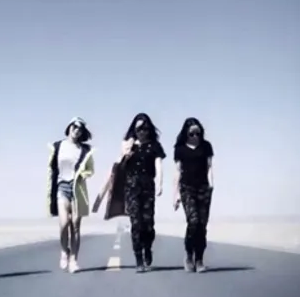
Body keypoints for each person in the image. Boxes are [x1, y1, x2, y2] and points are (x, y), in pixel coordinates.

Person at [95, 113, 165, 273]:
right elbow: (118, 167)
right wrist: (125, 154)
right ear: (134, 129)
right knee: (136, 223)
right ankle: (138, 259)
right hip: (132, 187)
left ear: (149, 129)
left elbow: (159, 165)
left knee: (148, 224)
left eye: (145, 128)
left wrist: (160, 183)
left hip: (148, 186)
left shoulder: (155, 146)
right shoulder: (128, 146)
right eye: (139, 128)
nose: (142, 131)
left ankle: (147, 247)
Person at [47, 118, 95, 273]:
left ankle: (73, 260)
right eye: (75, 126)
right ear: (69, 127)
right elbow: (51, 166)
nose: (77, 130)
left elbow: (90, 169)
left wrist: (83, 174)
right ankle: (64, 251)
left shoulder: (85, 150)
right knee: (64, 223)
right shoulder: (58, 146)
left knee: (75, 225)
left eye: (80, 128)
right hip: (62, 187)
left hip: (77, 188)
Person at [173, 117, 214, 273]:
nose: (195, 136)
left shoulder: (206, 146)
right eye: (192, 133)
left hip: (203, 188)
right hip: (187, 188)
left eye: (198, 133)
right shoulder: (180, 149)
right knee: (193, 221)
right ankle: (189, 255)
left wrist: (211, 185)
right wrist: (175, 195)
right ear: (186, 133)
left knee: (202, 225)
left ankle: (199, 259)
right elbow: (177, 172)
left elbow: (210, 167)